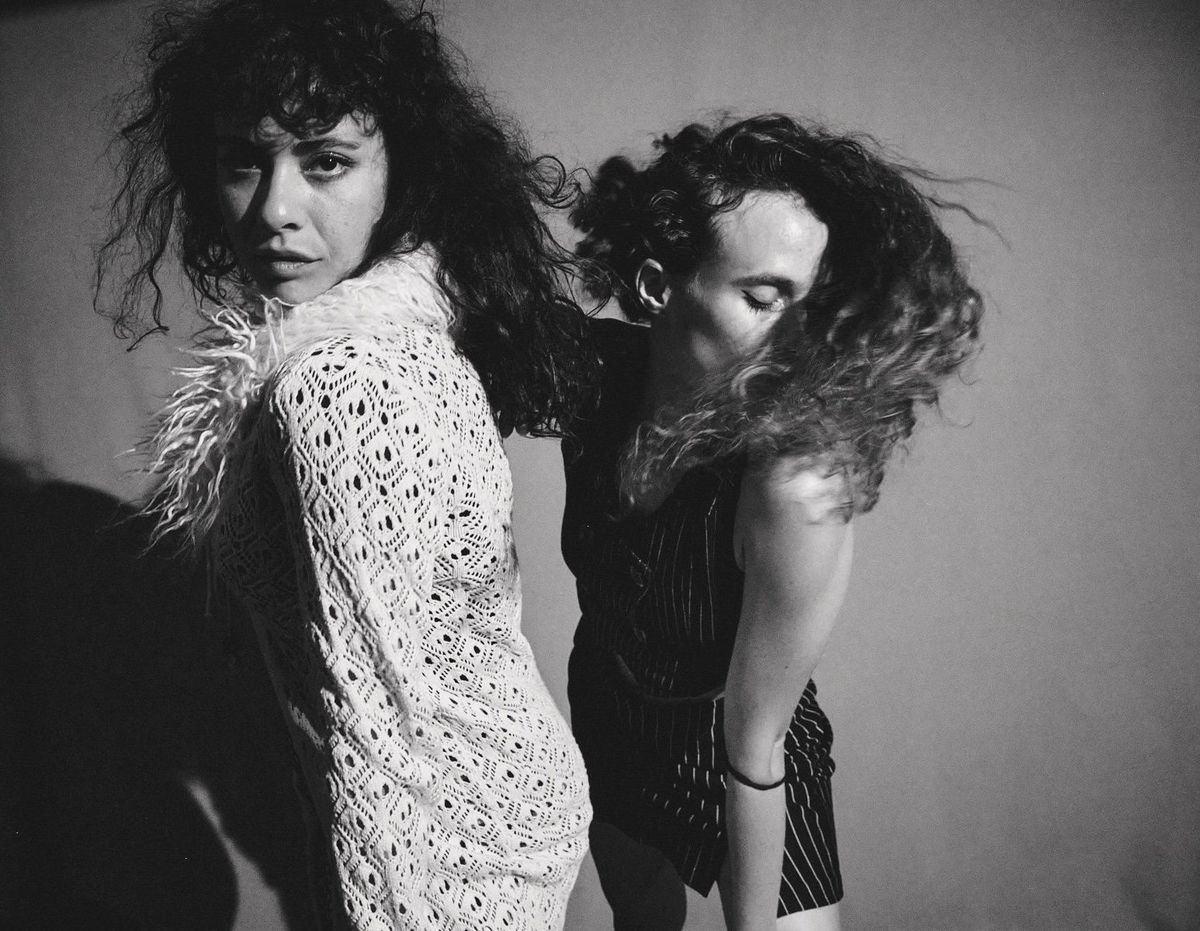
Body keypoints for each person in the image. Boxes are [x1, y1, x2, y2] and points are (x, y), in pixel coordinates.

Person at [94, 1, 595, 928]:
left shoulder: (338, 383)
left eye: (326, 160)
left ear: (403, 170)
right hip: (495, 803)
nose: (275, 208)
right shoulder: (403, 327)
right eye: (245, 159)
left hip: (453, 847)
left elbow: (375, 724)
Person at [561, 114, 983, 931]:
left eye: (808, 303)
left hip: (751, 754)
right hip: (613, 711)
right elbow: (449, 316)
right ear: (656, 287)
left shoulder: (795, 485)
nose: (797, 338)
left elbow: (755, 752)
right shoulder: (593, 376)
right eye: (763, 298)